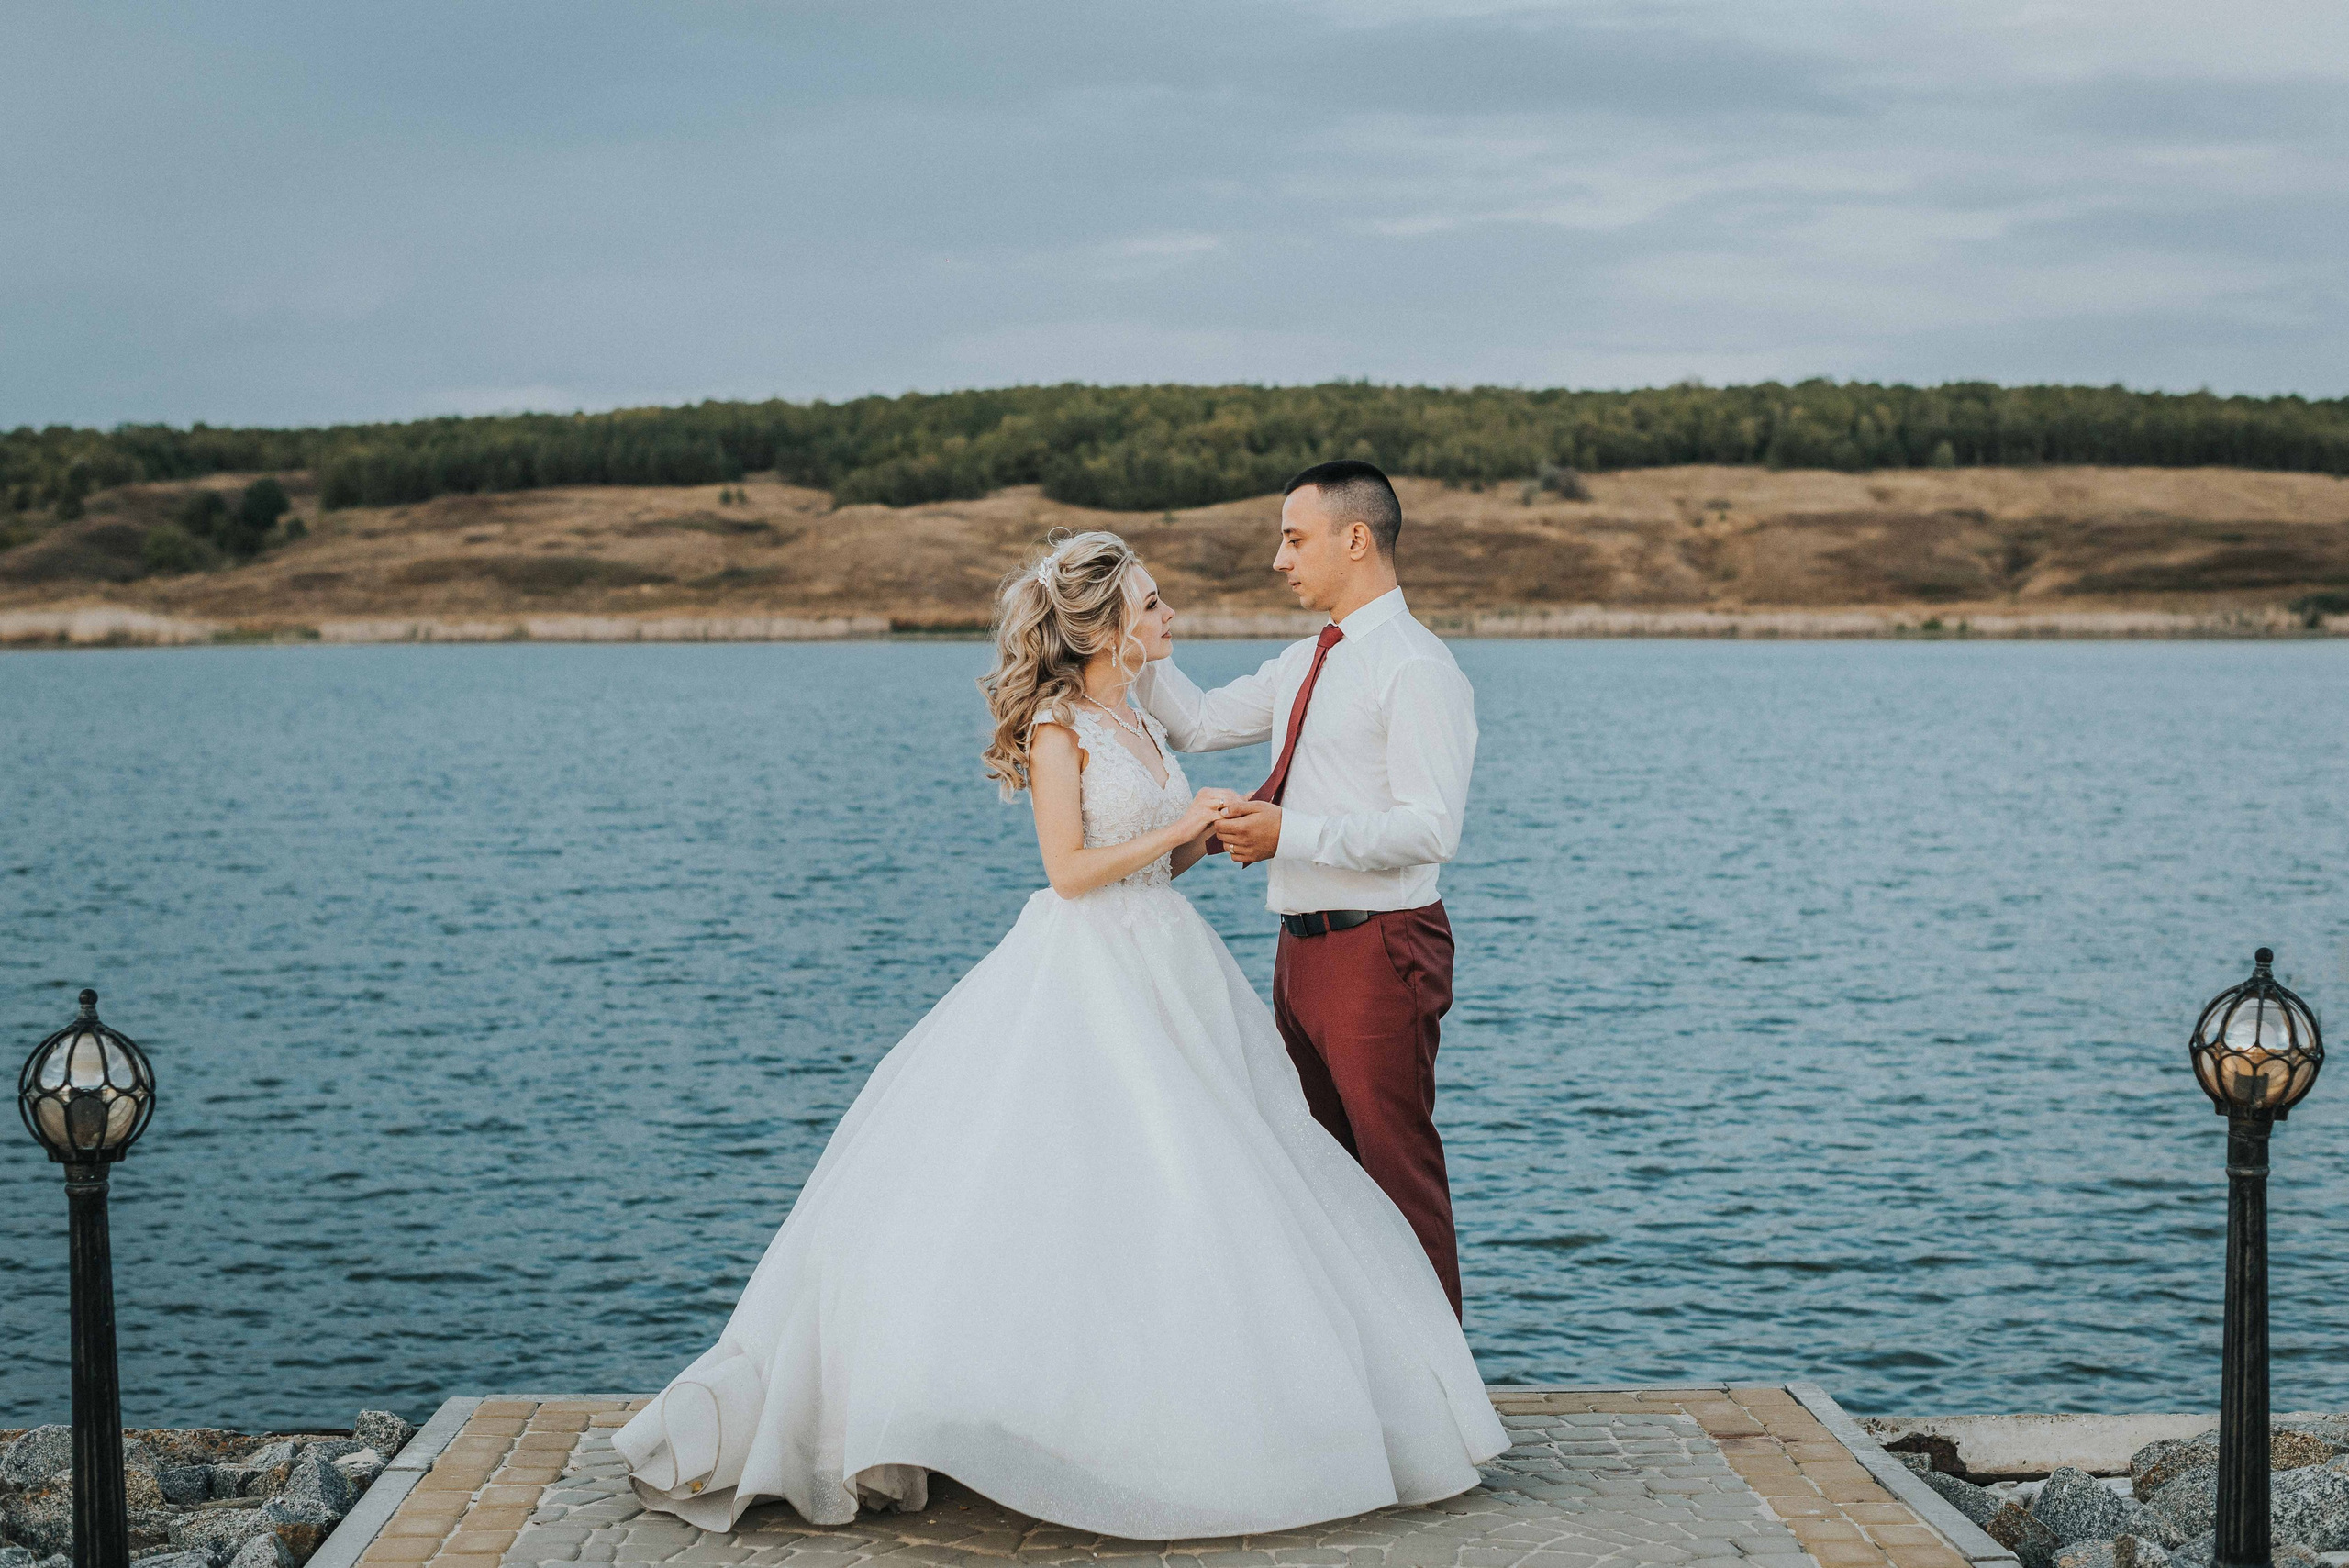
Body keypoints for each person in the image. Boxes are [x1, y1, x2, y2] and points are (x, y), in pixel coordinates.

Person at [612, 529, 1506, 1540]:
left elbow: (1156, 850)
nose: (1172, 616)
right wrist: (1185, 826)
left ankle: (1195, 1405)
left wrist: (1202, 838)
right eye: (1154, 603)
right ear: (1113, 625)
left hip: (1170, 960)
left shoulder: (1136, 720)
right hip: (1087, 967)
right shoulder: (1055, 723)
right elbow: (1070, 870)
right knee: (1071, 1180)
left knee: (1212, 1179)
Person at [1135, 460, 1477, 1317]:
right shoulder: (1302, 661)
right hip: (1300, 951)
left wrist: (1291, 834)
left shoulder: (1418, 668)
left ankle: (1447, 1409)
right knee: (1320, 1176)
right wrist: (1127, 637)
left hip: (1381, 950)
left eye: (1294, 539)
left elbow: (1431, 826)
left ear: (1354, 539)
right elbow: (1203, 721)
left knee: (1396, 1175)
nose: (1279, 560)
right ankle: (1370, 1386)